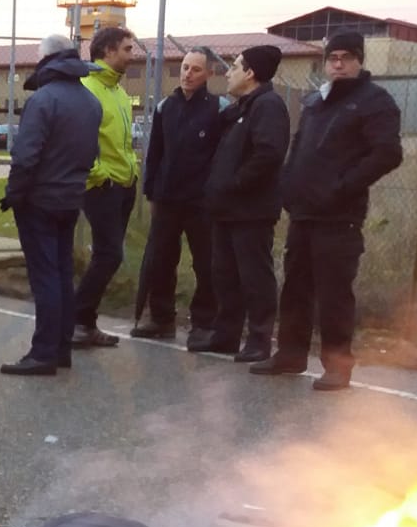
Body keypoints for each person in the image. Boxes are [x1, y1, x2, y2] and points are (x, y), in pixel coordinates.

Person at [256, 32, 403, 391]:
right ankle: (290, 355)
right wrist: (288, 185)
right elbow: (299, 146)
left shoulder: (375, 102)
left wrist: (341, 188)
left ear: (360, 60)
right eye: (332, 57)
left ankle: (338, 367)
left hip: (340, 216)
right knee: (296, 288)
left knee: (334, 293)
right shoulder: (316, 102)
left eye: (346, 57)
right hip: (304, 213)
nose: (338, 64)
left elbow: (387, 153)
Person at [0, 34, 102, 377]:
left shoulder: (43, 100)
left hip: (40, 198)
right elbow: (89, 153)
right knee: (62, 272)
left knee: (46, 278)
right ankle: (61, 347)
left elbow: (26, 156)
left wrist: (14, 193)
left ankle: (43, 352)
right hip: (71, 197)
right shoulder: (90, 101)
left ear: (46, 59)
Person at [199, 45, 291, 363]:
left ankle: (259, 338)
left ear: (250, 73)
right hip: (227, 210)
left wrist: (235, 184)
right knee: (224, 273)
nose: (228, 72)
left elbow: (268, 154)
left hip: (251, 210)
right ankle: (226, 335)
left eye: (235, 66)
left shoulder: (268, 106)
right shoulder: (242, 107)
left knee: (254, 275)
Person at [131, 48, 220, 346]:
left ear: (208, 74)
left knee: (205, 264)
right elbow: (154, 153)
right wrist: (151, 192)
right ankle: (161, 318)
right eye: (184, 67)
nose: (188, 74)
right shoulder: (165, 107)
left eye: (196, 69)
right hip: (167, 199)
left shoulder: (218, 109)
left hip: (201, 203)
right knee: (161, 260)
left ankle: (204, 323)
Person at [69, 26, 142, 347]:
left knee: (107, 254)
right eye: (127, 48)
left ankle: (84, 323)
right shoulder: (87, 89)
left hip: (124, 184)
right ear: (108, 51)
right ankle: (75, 318)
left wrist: (131, 173)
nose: (132, 54)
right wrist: (100, 176)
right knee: (110, 255)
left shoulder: (120, 93)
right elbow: (78, 141)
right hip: (102, 185)